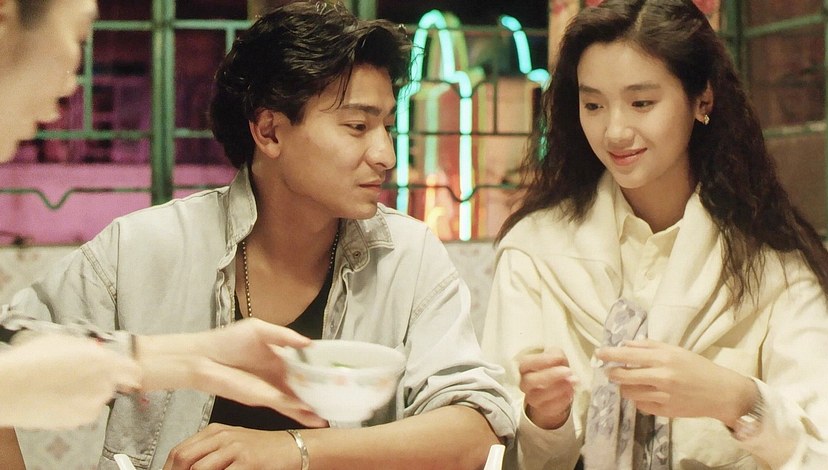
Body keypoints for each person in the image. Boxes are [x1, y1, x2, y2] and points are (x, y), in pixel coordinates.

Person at [2, 1, 515, 469]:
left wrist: (294, 450)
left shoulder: (407, 255)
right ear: (269, 131)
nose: (386, 155)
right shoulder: (141, 249)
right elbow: (9, 359)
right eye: (358, 127)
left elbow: (477, 429)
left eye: (387, 127)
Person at [481, 0, 828, 468]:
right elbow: (496, 447)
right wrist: (544, 419)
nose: (615, 131)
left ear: (702, 100)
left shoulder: (774, 263)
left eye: (642, 103)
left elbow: (824, 449)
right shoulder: (536, 251)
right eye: (593, 105)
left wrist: (737, 400)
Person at [0, 0, 333, 463]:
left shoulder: (407, 251)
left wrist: (189, 357)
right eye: (78, 36)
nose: (71, 84)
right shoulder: (140, 240)